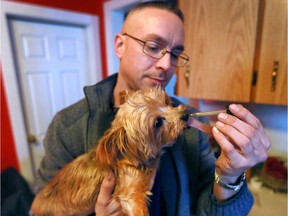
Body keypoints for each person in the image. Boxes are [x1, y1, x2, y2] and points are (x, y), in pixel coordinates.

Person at [33, 1, 271, 215]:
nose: (167, 64)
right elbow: (41, 210)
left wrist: (229, 176)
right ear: (120, 45)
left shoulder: (191, 124)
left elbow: (208, 210)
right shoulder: (66, 126)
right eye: (153, 46)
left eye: (176, 53)